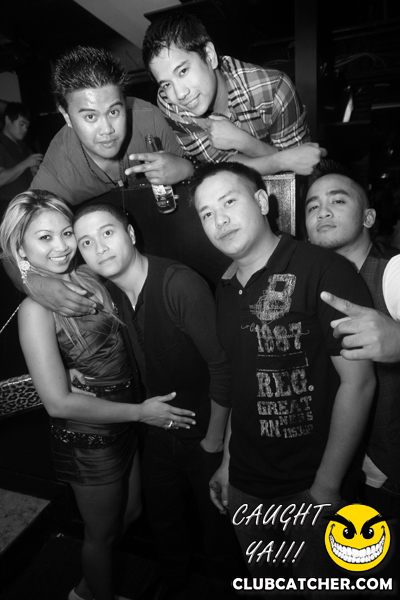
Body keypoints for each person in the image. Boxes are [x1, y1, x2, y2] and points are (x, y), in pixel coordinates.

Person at [189, 161, 376, 592]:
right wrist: (228, 463)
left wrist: (326, 487)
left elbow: (360, 383)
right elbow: (243, 385)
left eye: (229, 202)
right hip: (246, 488)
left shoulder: (322, 269)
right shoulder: (225, 289)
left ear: (261, 201)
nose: (219, 220)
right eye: (207, 213)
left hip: (311, 487)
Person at [0, 190, 196, 600]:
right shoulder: (35, 310)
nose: (61, 246)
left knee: (132, 512)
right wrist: (141, 413)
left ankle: (89, 588)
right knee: (100, 535)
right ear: (20, 248)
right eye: (44, 238)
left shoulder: (87, 275)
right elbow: (57, 402)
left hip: (122, 421)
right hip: (88, 438)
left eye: (66, 233)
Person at [72, 202, 245, 599]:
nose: (99, 247)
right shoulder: (109, 293)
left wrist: (214, 442)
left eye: (107, 233)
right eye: (86, 242)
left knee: (219, 533)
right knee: (164, 525)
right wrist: (69, 368)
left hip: (206, 431)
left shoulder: (178, 284)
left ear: (131, 234)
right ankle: (174, 586)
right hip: (158, 431)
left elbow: (224, 368)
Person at [304, 159, 400, 527]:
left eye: (338, 201)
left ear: (368, 217)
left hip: (387, 475)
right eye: (312, 206)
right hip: (334, 466)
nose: (323, 211)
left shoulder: (391, 272)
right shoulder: (310, 280)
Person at [137, 12, 326, 179]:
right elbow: (221, 168)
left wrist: (242, 141)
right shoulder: (169, 102)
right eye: (167, 84)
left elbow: (300, 170)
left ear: (209, 56)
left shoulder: (273, 89)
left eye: (183, 71)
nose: (180, 93)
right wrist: (280, 161)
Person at [30, 45, 194, 206]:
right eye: (90, 116)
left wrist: (187, 169)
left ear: (125, 102)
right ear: (67, 116)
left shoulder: (150, 120)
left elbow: (202, 167)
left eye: (113, 112)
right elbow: (25, 216)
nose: (107, 129)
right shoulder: (60, 165)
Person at [0, 102, 43, 207]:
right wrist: (26, 163)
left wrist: (34, 170)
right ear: (8, 120)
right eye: (21, 124)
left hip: (28, 203)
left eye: (27, 126)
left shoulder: (25, 147)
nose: (25, 129)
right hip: (8, 207)